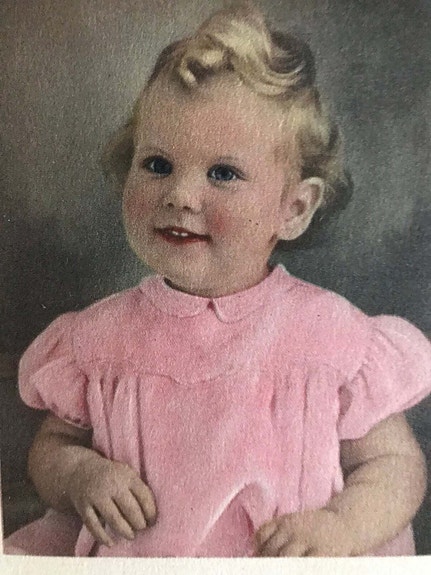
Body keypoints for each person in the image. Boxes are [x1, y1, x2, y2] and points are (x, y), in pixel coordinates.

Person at [4, 4, 431, 557]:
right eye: (157, 164)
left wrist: (341, 528)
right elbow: (52, 447)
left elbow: (393, 464)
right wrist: (80, 474)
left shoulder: (331, 336)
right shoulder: (98, 337)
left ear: (294, 209)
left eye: (223, 173)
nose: (180, 195)